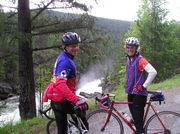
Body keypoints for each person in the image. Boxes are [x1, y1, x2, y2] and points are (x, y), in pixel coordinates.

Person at [43, 32, 89, 134]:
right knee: (84, 124)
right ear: (65, 46)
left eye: (77, 45)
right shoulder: (65, 61)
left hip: (56, 99)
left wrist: (73, 97)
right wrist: (75, 100)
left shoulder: (64, 57)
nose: (75, 48)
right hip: (61, 100)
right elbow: (60, 84)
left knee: (62, 130)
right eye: (72, 46)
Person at [124, 37, 157, 134]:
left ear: (136, 48)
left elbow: (153, 72)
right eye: (128, 47)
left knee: (138, 125)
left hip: (139, 95)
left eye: (133, 47)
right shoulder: (129, 59)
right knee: (135, 119)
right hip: (131, 93)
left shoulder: (140, 60)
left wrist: (143, 86)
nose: (130, 49)